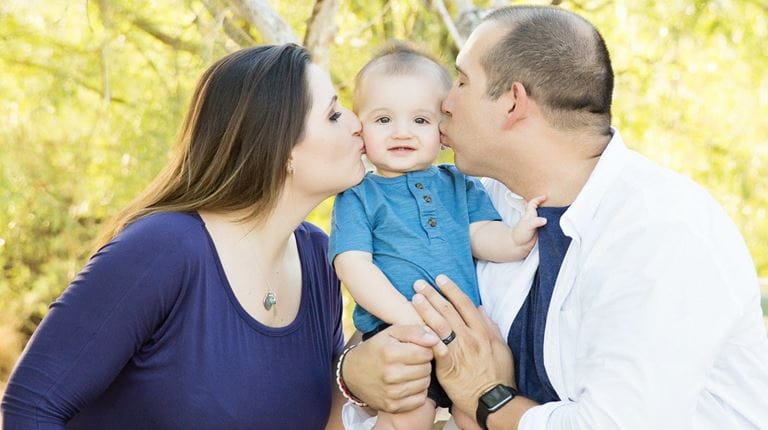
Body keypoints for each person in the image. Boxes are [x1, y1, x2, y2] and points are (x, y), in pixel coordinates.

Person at [339, 5, 768, 430]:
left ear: (513, 102)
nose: (445, 103)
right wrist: (354, 371)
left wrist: (487, 399)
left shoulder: (662, 231)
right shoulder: (482, 198)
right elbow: (396, 297)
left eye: (463, 82)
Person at [1, 44, 365, 429]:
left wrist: (380, 342)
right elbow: (32, 404)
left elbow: (327, 419)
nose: (357, 123)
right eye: (333, 114)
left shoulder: (319, 256)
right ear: (281, 149)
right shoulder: (164, 249)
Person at [328, 43, 546, 430]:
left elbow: (480, 234)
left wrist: (515, 239)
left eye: (420, 121)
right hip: (401, 337)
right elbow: (353, 265)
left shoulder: (459, 184)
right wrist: (411, 321)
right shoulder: (359, 195)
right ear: (360, 128)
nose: (401, 132)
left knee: (475, 413)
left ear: (443, 131)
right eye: (383, 120)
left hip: (466, 339)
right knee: (409, 414)